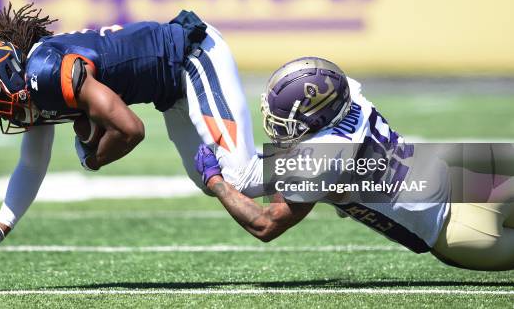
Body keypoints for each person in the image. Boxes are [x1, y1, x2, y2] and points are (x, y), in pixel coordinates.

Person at [0, 3, 258, 256]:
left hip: (192, 55)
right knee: (220, 180)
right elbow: (31, 163)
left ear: (7, 75)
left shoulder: (46, 74)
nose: (7, 115)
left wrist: (94, 160)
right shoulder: (35, 83)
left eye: (0, 105)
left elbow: (131, 129)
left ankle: (307, 163)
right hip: (171, 86)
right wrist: (0, 227)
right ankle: (299, 166)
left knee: (239, 175)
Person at [194, 57, 514, 271]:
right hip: (469, 185)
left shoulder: (321, 160)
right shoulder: (352, 97)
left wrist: (216, 182)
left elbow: (265, 224)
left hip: (459, 233)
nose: (278, 126)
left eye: (287, 120)